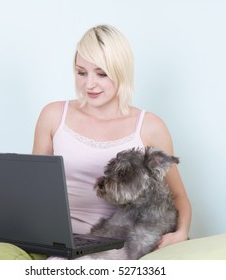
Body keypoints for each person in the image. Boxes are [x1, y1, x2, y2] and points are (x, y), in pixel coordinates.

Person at [32, 24, 191, 249]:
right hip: (53, 237)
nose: (89, 84)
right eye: (81, 72)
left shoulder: (150, 127)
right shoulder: (53, 115)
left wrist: (181, 233)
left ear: (121, 72)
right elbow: (33, 187)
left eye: (101, 74)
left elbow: (178, 196)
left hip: (117, 243)